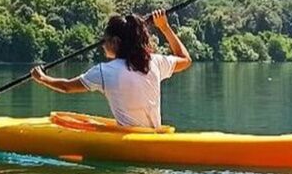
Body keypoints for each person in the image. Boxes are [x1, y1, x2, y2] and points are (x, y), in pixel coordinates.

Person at [29, 9, 190, 128]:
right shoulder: (154, 61)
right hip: (155, 135)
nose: (103, 44)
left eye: (104, 40)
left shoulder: (104, 72)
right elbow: (185, 59)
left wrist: (42, 78)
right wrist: (165, 27)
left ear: (115, 42)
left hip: (131, 142)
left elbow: (66, 87)